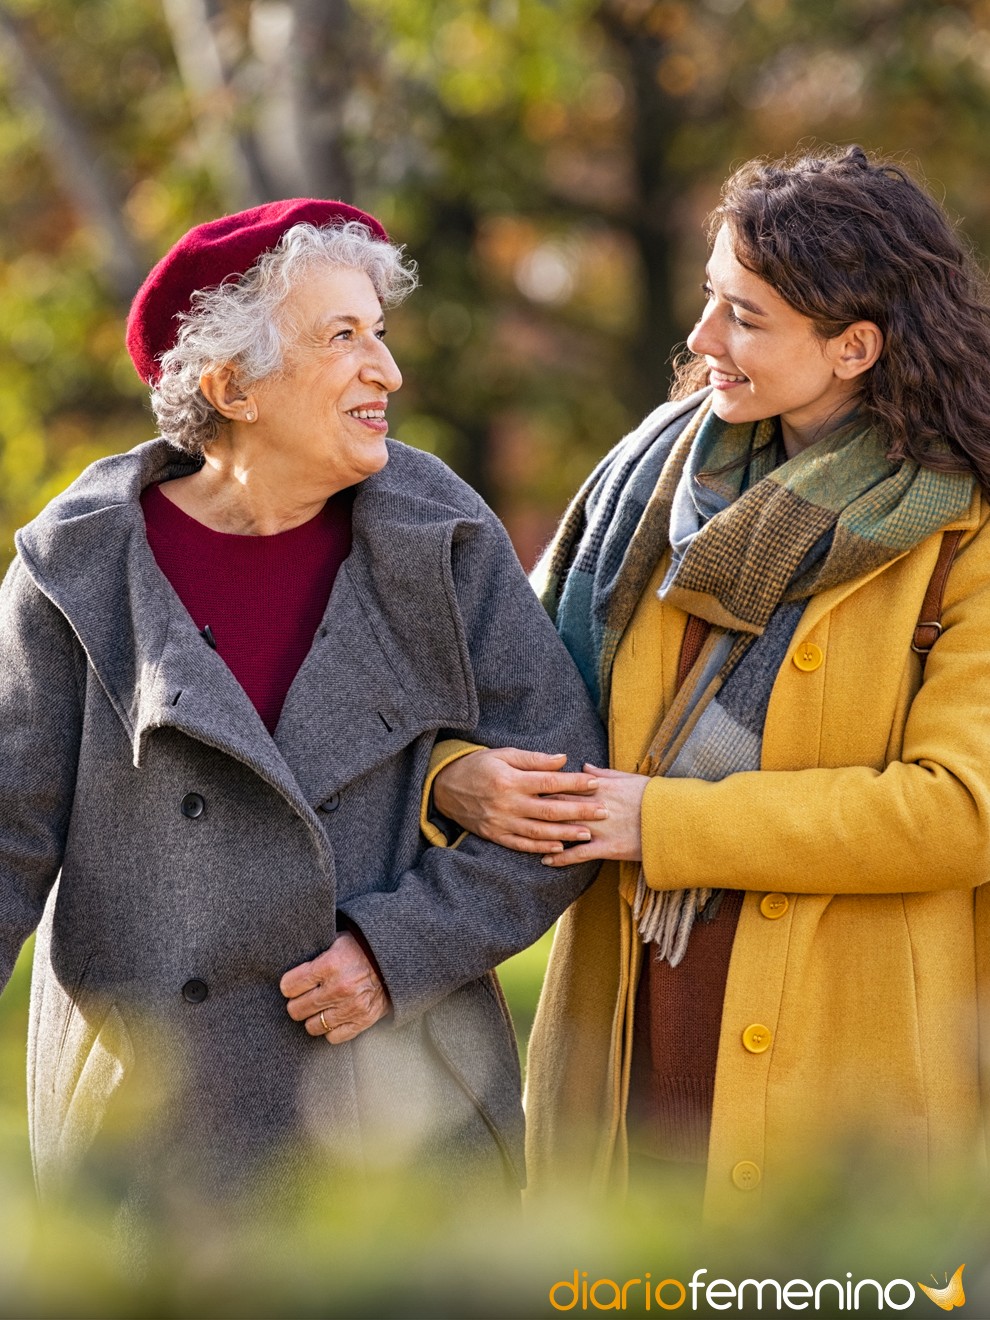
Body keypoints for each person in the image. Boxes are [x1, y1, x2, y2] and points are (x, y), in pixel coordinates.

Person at [0, 198, 605, 1215]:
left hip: (402, 1113)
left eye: (379, 331)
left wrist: (398, 946)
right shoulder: (75, 570)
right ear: (232, 384)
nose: (387, 371)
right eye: (343, 337)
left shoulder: (441, 535)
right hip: (153, 1133)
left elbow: (563, 795)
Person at [430, 145, 990, 1222]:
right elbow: (507, 691)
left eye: (745, 315)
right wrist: (460, 775)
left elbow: (960, 810)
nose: (700, 342)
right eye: (707, 300)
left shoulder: (963, 536)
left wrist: (669, 823)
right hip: (626, 1052)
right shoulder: (647, 493)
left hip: (847, 1089)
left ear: (854, 346)